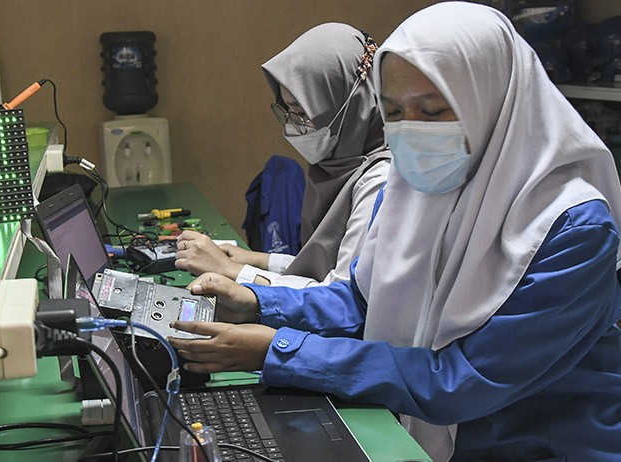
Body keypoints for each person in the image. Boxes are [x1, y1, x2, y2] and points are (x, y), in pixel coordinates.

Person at [168, 3, 621, 461]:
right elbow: (365, 301)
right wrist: (257, 304)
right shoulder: (414, 186)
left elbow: (462, 381)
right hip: (423, 430)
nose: (410, 133)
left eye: (433, 110)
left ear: (494, 102)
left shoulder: (573, 228)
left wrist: (281, 351)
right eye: (395, 111)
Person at [174, 23, 390, 288]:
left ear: (348, 106)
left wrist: (231, 270)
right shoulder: (336, 168)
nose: (293, 126)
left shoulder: (378, 183)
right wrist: (257, 260)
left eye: (302, 112)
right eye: (287, 111)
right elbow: (321, 265)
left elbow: (338, 297)